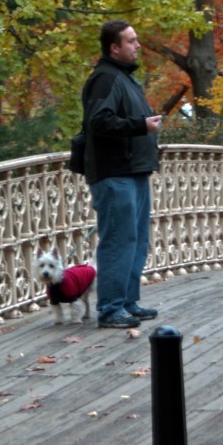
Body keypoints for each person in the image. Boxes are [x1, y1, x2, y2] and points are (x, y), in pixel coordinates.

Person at [82, 20, 163, 328]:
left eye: (137, 40)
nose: (137, 45)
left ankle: (127, 302)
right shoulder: (105, 79)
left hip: (134, 170)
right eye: (131, 41)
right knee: (118, 239)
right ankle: (111, 308)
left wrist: (148, 138)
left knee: (136, 239)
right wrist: (141, 126)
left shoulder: (124, 79)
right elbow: (99, 122)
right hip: (115, 173)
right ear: (114, 48)